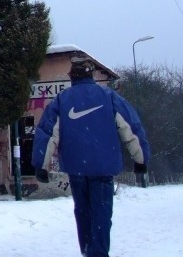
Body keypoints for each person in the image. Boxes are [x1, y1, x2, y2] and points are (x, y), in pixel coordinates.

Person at [31, 55, 150, 257]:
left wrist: (41, 165)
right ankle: (98, 253)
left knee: (83, 212)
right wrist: (141, 159)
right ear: (91, 74)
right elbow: (131, 128)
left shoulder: (62, 100)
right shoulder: (109, 97)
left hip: (76, 166)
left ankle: (87, 251)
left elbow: (47, 132)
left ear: (72, 76)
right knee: (102, 214)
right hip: (103, 166)